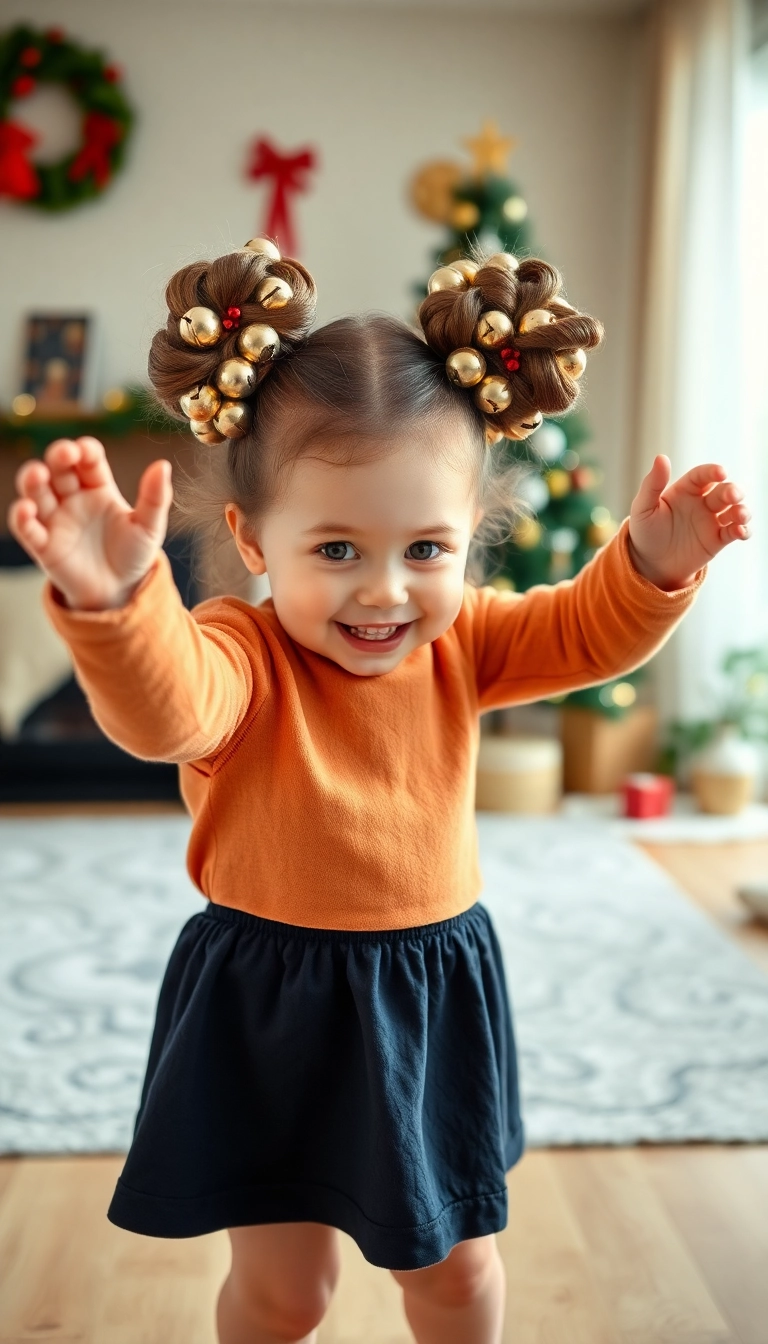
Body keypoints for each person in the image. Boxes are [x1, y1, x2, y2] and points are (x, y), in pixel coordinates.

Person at [7, 239, 751, 1344]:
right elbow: (166, 709)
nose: (386, 592)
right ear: (256, 540)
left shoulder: (466, 645)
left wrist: (649, 564)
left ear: (470, 541)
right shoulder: (240, 654)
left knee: (452, 1276)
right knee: (284, 1293)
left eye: (428, 549)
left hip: (426, 991)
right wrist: (120, 604)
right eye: (340, 547)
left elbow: (584, 628)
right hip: (269, 1001)